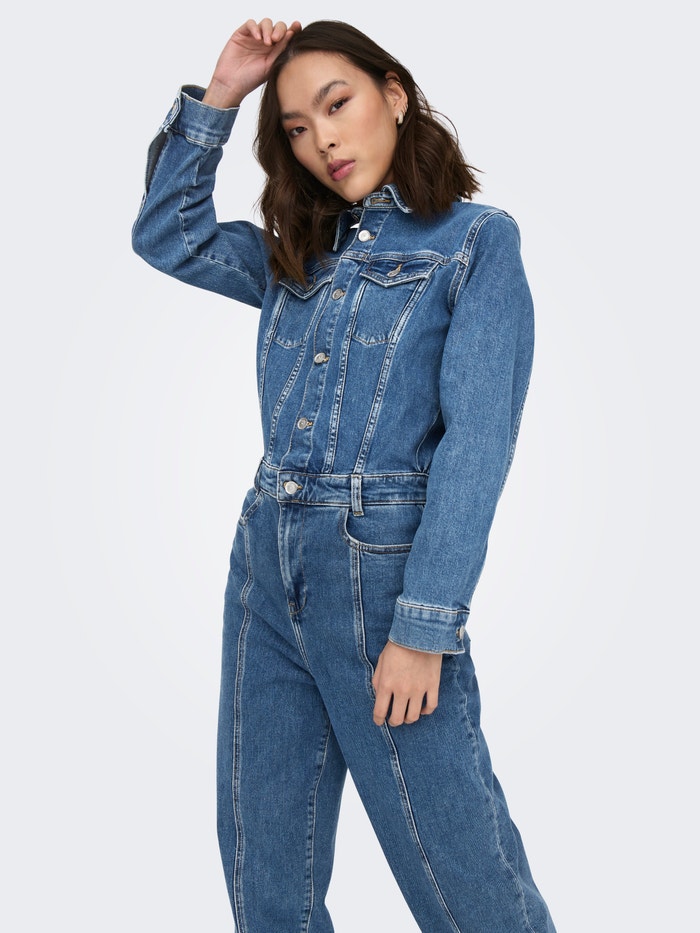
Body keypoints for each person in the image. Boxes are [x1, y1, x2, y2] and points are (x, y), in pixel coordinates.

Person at [132, 17, 557, 932]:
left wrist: (425, 624)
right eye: (296, 127)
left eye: (337, 104)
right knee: (267, 881)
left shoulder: (475, 243)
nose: (322, 139)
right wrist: (222, 94)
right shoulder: (299, 252)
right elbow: (168, 234)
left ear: (393, 95)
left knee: (463, 882)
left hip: (384, 584)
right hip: (265, 570)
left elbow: (477, 446)